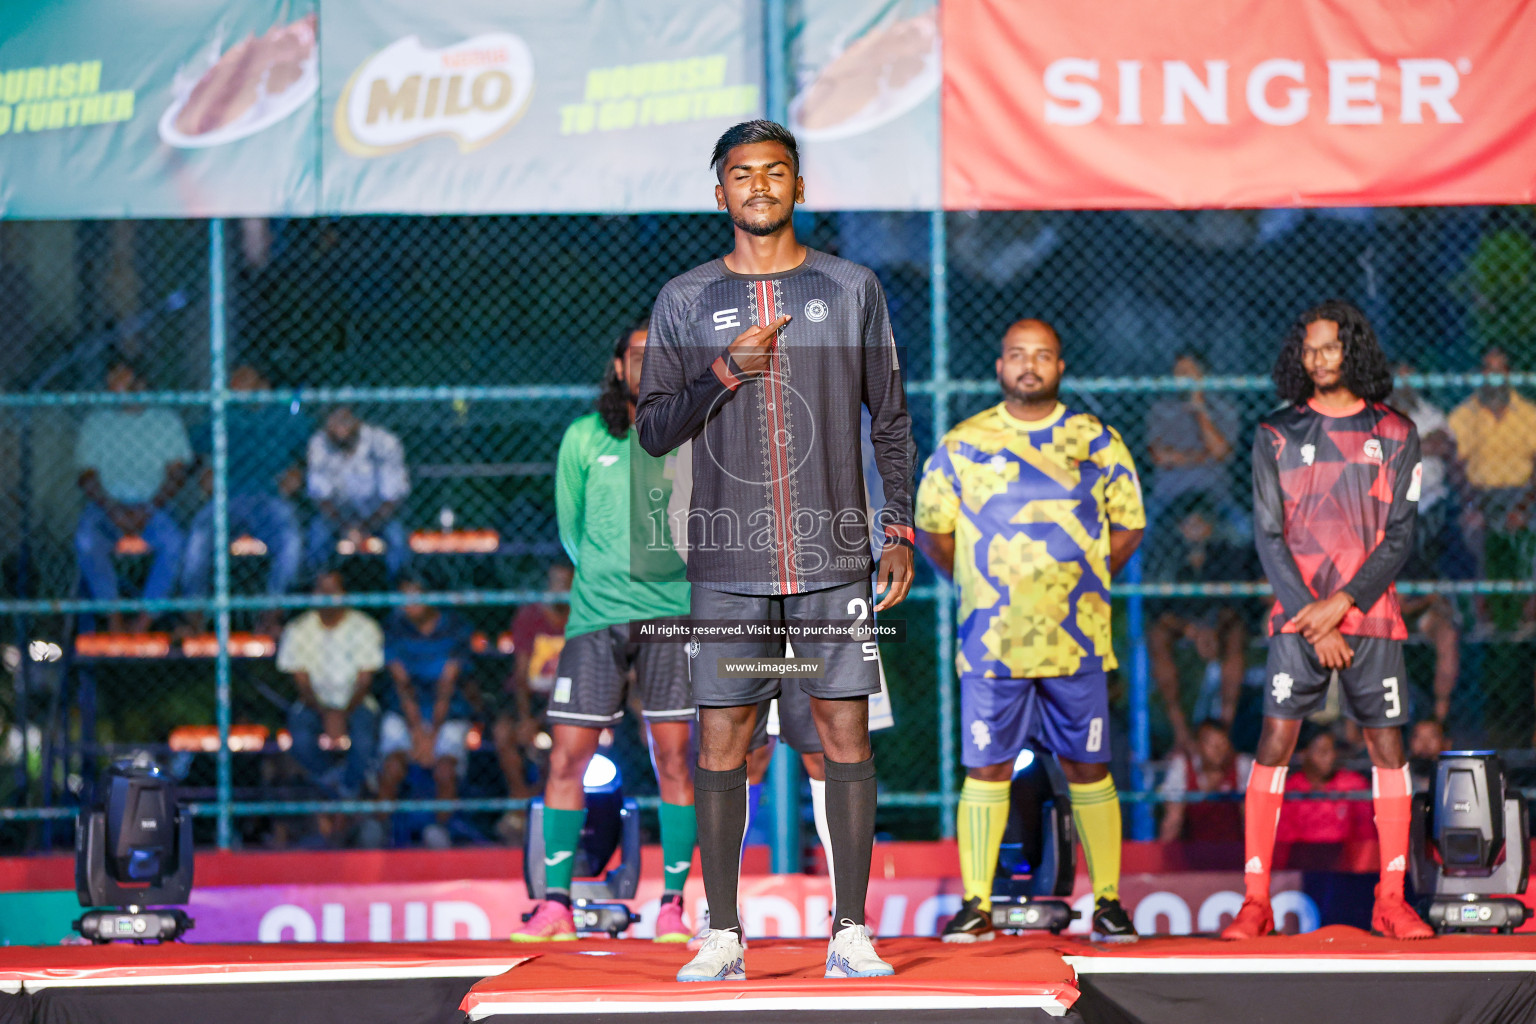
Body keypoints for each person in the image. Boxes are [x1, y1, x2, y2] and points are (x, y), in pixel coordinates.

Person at [636, 120, 913, 981]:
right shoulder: (685, 300)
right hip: (727, 566)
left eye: (775, 172)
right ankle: (722, 933)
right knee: (721, 743)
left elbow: (892, 419)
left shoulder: (851, 286)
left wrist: (896, 526)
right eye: (743, 175)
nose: (760, 186)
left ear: (799, 185)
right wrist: (723, 372)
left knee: (844, 739)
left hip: (836, 561)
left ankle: (851, 930)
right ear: (718, 193)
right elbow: (651, 429)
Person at [915, 318, 1145, 945]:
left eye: (1042, 355)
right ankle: (976, 905)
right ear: (999, 365)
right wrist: (976, 587)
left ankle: (1107, 903)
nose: (1029, 365)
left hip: (1077, 639)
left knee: (1088, 766)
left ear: (1060, 366)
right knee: (986, 768)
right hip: (991, 640)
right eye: (1017, 354)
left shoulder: (1095, 440)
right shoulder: (964, 443)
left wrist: (1083, 582)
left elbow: (1128, 525)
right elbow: (932, 530)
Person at [1223, 299, 1431, 940]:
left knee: (1387, 747)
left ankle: (1390, 900)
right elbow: (1268, 536)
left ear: (1354, 351)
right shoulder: (1275, 433)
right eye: (1309, 349)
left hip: (1367, 618)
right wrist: (1313, 618)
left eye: (1330, 348)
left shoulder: (1397, 432)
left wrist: (1339, 608)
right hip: (1298, 618)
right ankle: (1255, 904)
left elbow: (1399, 537)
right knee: (1275, 744)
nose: (1318, 360)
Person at [513, 315, 698, 945]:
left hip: (674, 616)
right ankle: (555, 905)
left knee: (675, 757)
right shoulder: (583, 438)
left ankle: (673, 905)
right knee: (567, 757)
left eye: (659, 353)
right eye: (636, 354)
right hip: (596, 617)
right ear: (618, 366)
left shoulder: (695, 434)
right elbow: (572, 529)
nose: (647, 363)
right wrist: (607, 574)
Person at [181, 364, 308, 635]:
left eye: (243, 379)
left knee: (291, 542)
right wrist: (203, 468)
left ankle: (271, 614)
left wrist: (299, 470)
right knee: (198, 538)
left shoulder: (283, 414)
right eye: (233, 379)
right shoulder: (223, 414)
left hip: (269, 499)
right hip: (228, 497)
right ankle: (194, 616)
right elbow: (191, 449)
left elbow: (310, 450)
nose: (235, 384)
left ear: (262, 384)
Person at [74, 356, 191, 633]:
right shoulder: (96, 421)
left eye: (121, 378)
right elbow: (86, 476)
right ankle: (113, 618)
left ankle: (143, 620)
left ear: (140, 383)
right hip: (107, 507)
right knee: (86, 539)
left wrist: (149, 508)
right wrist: (112, 509)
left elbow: (177, 474)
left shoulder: (165, 421)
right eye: (111, 380)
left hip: (152, 507)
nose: (113, 385)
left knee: (174, 542)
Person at [1146, 494, 1254, 753]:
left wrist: (1213, 629)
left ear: (1211, 526)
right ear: (1179, 527)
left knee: (1237, 633)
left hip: (1218, 623)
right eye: (1188, 524)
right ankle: (1181, 732)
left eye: (1201, 524)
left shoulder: (1226, 551)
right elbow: (1157, 609)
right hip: (1181, 625)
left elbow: (1236, 604)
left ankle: (1224, 728)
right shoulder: (1166, 555)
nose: (1195, 530)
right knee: (1156, 637)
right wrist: (1191, 630)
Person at [1388, 366, 1464, 723]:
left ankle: (1439, 718)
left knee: (1447, 633)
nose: (1404, 385)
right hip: (1393, 605)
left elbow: (1444, 446)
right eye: (1397, 378)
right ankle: (1369, 725)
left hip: (1431, 503)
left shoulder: (1435, 524)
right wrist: (1421, 442)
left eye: (1410, 377)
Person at [378, 577, 476, 850]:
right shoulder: (394, 626)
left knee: (445, 770)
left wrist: (431, 734)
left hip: (448, 711)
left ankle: (440, 828)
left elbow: (447, 684)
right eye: (404, 598)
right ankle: (382, 830)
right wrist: (417, 731)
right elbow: (402, 684)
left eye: (416, 596)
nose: (409, 605)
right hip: (404, 711)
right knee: (392, 767)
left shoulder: (455, 627)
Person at [1447, 347, 1536, 635]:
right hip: (1480, 493)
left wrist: (1523, 507)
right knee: (1471, 531)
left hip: (1523, 493)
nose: (1494, 377)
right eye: (1488, 369)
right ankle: (1482, 616)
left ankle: (1528, 615)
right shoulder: (1464, 414)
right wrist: (1473, 506)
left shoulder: (1528, 413)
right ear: (1479, 374)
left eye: (1501, 370)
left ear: (1509, 375)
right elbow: (1456, 469)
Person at [277, 570, 383, 805]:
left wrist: (341, 714)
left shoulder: (365, 626)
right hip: (312, 701)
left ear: (344, 594)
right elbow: (302, 683)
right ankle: (334, 781)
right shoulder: (298, 628)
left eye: (332, 589)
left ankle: (349, 789)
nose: (325, 596)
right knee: (300, 739)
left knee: (364, 740)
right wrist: (326, 713)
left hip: (355, 701)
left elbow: (364, 682)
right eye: (320, 590)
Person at [490, 561, 573, 824]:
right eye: (556, 583)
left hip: (568, 697)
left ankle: (550, 803)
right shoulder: (530, 616)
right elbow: (522, 673)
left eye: (566, 583)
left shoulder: (582, 617)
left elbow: (579, 678)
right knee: (504, 732)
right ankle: (519, 798)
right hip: (529, 695)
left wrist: (539, 721)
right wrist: (527, 718)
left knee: (564, 742)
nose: (560, 589)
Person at [306, 406, 411, 579]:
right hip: (338, 515)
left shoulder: (383, 442)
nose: (338, 427)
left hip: (378, 513)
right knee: (317, 535)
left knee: (397, 538)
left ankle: (399, 597)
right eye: (332, 421)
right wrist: (346, 527)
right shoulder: (319, 443)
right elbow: (321, 498)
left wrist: (365, 528)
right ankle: (322, 595)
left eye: (344, 420)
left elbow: (393, 497)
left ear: (358, 421)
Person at [1145, 352, 1239, 511]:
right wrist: (1201, 457)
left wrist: (1199, 409)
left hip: (1213, 492)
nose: (1181, 378)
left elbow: (1220, 452)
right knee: (1141, 528)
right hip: (1169, 491)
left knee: (1244, 529)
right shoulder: (1161, 409)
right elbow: (1159, 456)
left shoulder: (1224, 408)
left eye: (1187, 372)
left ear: (1202, 375)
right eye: (1177, 372)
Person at [1158, 720, 1253, 843]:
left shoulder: (1242, 766)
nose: (1218, 750)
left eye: (1222, 743)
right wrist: (1162, 858)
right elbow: (1172, 820)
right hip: (1192, 855)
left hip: (1235, 852)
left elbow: (1250, 819)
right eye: (1211, 744)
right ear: (1198, 746)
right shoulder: (1183, 767)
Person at [1274, 728, 1373, 844]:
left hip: (1346, 859)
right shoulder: (1289, 789)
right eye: (1322, 751)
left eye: (1333, 751)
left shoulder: (1354, 785)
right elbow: (1283, 839)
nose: (1330, 757)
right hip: (1299, 859)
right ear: (1303, 754)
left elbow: (1367, 835)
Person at [1407, 718, 1449, 793]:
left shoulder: (1454, 781)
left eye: (1432, 737)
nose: (1425, 744)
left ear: (1445, 743)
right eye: (1418, 737)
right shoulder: (1399, 778)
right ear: (1410, 742)